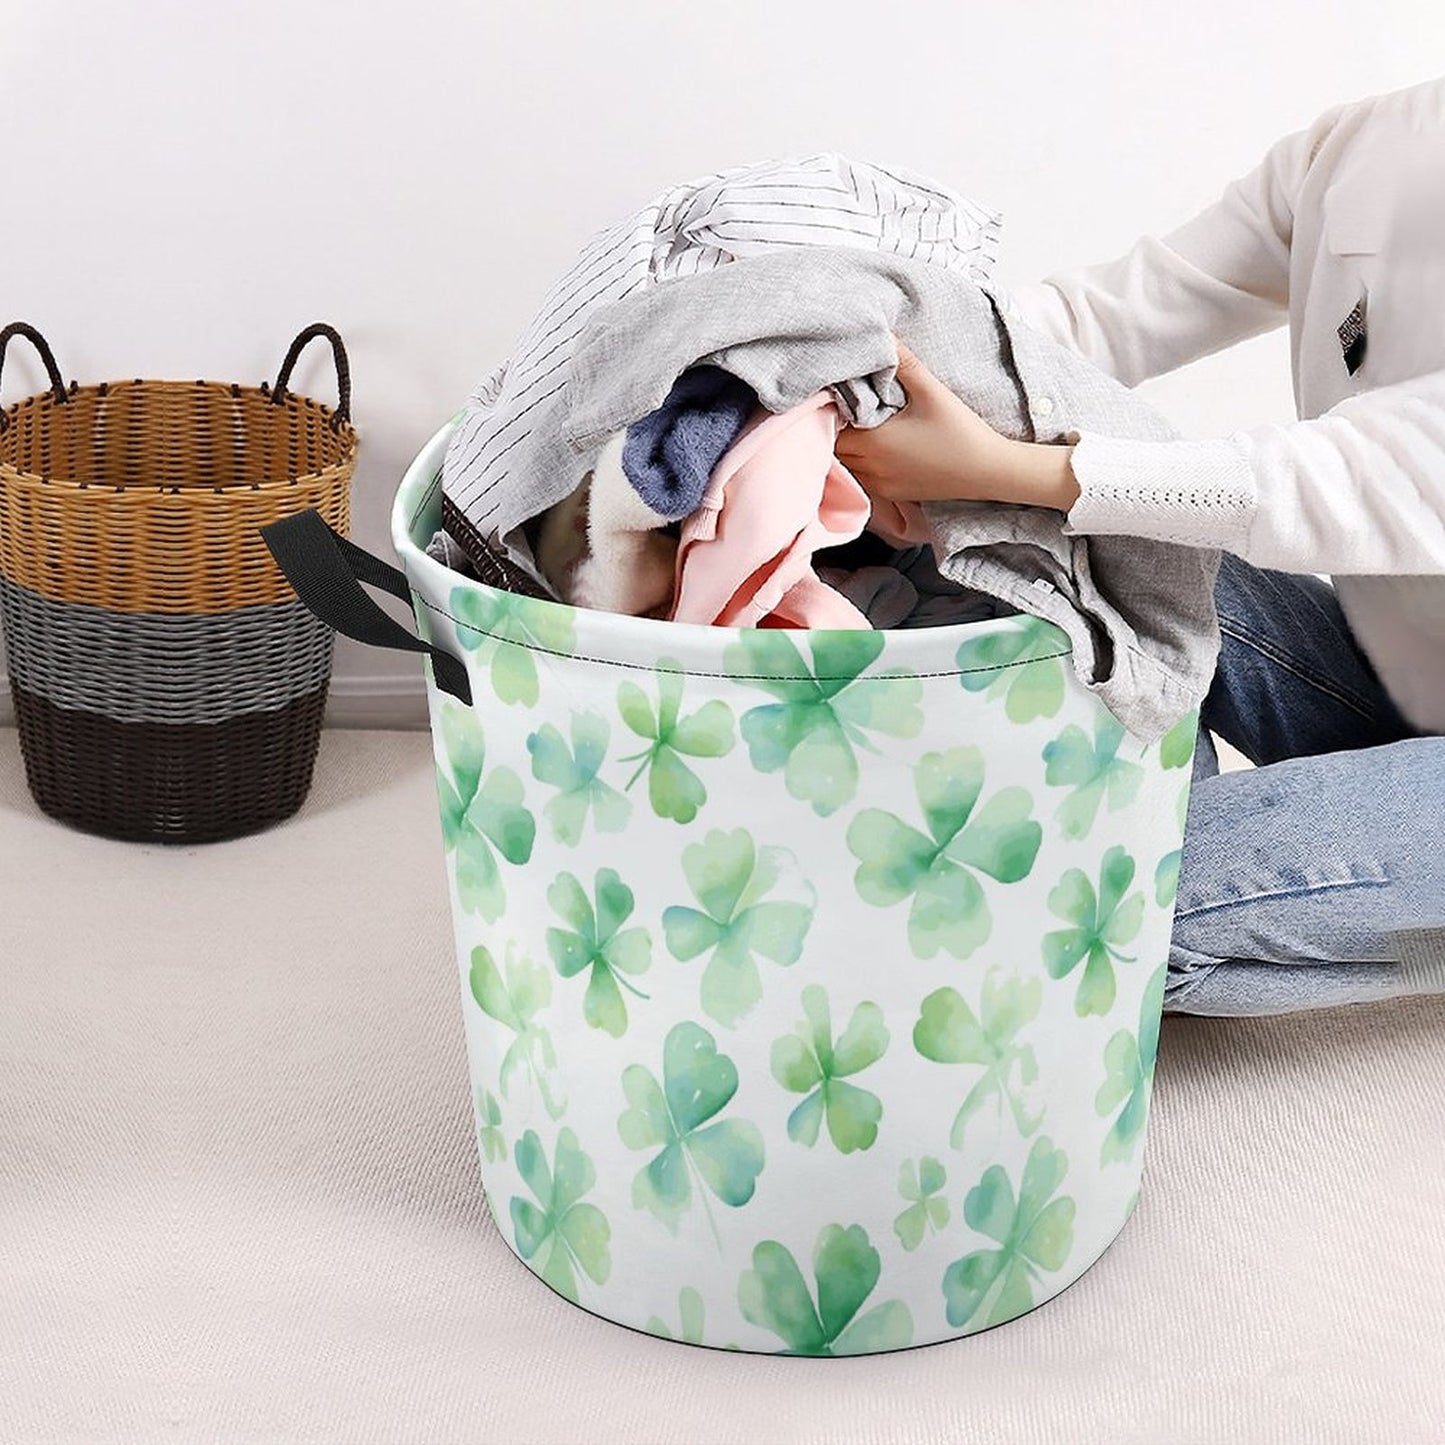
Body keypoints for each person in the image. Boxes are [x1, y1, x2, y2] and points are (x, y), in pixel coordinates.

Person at [836, 76, 1445, 1016]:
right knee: (1078, 549)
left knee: (1106, 911)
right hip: (1405, 685)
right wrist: (865, 370)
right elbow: (1104, 319)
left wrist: (1005, 466)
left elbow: (1347, 474)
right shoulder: (1360, 148)